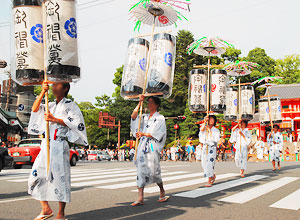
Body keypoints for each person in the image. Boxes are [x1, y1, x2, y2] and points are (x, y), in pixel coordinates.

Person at [28, 81, 88, 220]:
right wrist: (43, 92)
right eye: (53, 85)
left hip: (59, 144)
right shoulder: (50, 104)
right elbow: (35, 109)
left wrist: (55, 119)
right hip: (45, 144)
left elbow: (77, 123)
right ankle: (46, 208)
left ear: (66, 88)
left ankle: (61, 213)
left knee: (61, 179)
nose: (54, 87)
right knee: (35, 177)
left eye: (57, 85)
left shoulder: (71, 105)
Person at [130, 95, 168, 206]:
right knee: (140, 171)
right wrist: (139, 103)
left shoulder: (160, 118)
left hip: (152, 146)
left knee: (154, 171)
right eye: (148, 102)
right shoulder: (144, 116)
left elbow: (158, 133)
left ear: (157, 105)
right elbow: (133, 116)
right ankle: (140, 197)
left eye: (151, 102)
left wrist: (144, 134)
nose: (149, 104)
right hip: (142, 146)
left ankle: (161, 190)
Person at [199, 115, 220, 187]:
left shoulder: (216, 130)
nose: (211, 121)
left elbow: (216, 139)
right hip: (205, 147)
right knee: (204, 163)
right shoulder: (204, 127)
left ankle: (209, 180)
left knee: (210, 164)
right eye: (210, 119)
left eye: (212, 119)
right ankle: (212, 175)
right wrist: (205, 121)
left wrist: (209, 130)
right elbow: (201, 130)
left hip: (212, 148)